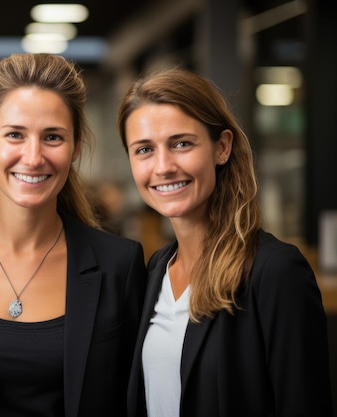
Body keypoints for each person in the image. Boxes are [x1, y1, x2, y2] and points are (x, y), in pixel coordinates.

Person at [0, 52, 147, 417]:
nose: (34, 156)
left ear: (75, 146)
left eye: (53, 137)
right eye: (14, 135)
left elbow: (132, 401)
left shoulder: (119, 264)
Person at [117, 67, 333, 417]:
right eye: (144, 149)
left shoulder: (274, 272)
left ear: (222, 148)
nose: (163, 166)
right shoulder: (156, 269)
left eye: (181, 143)